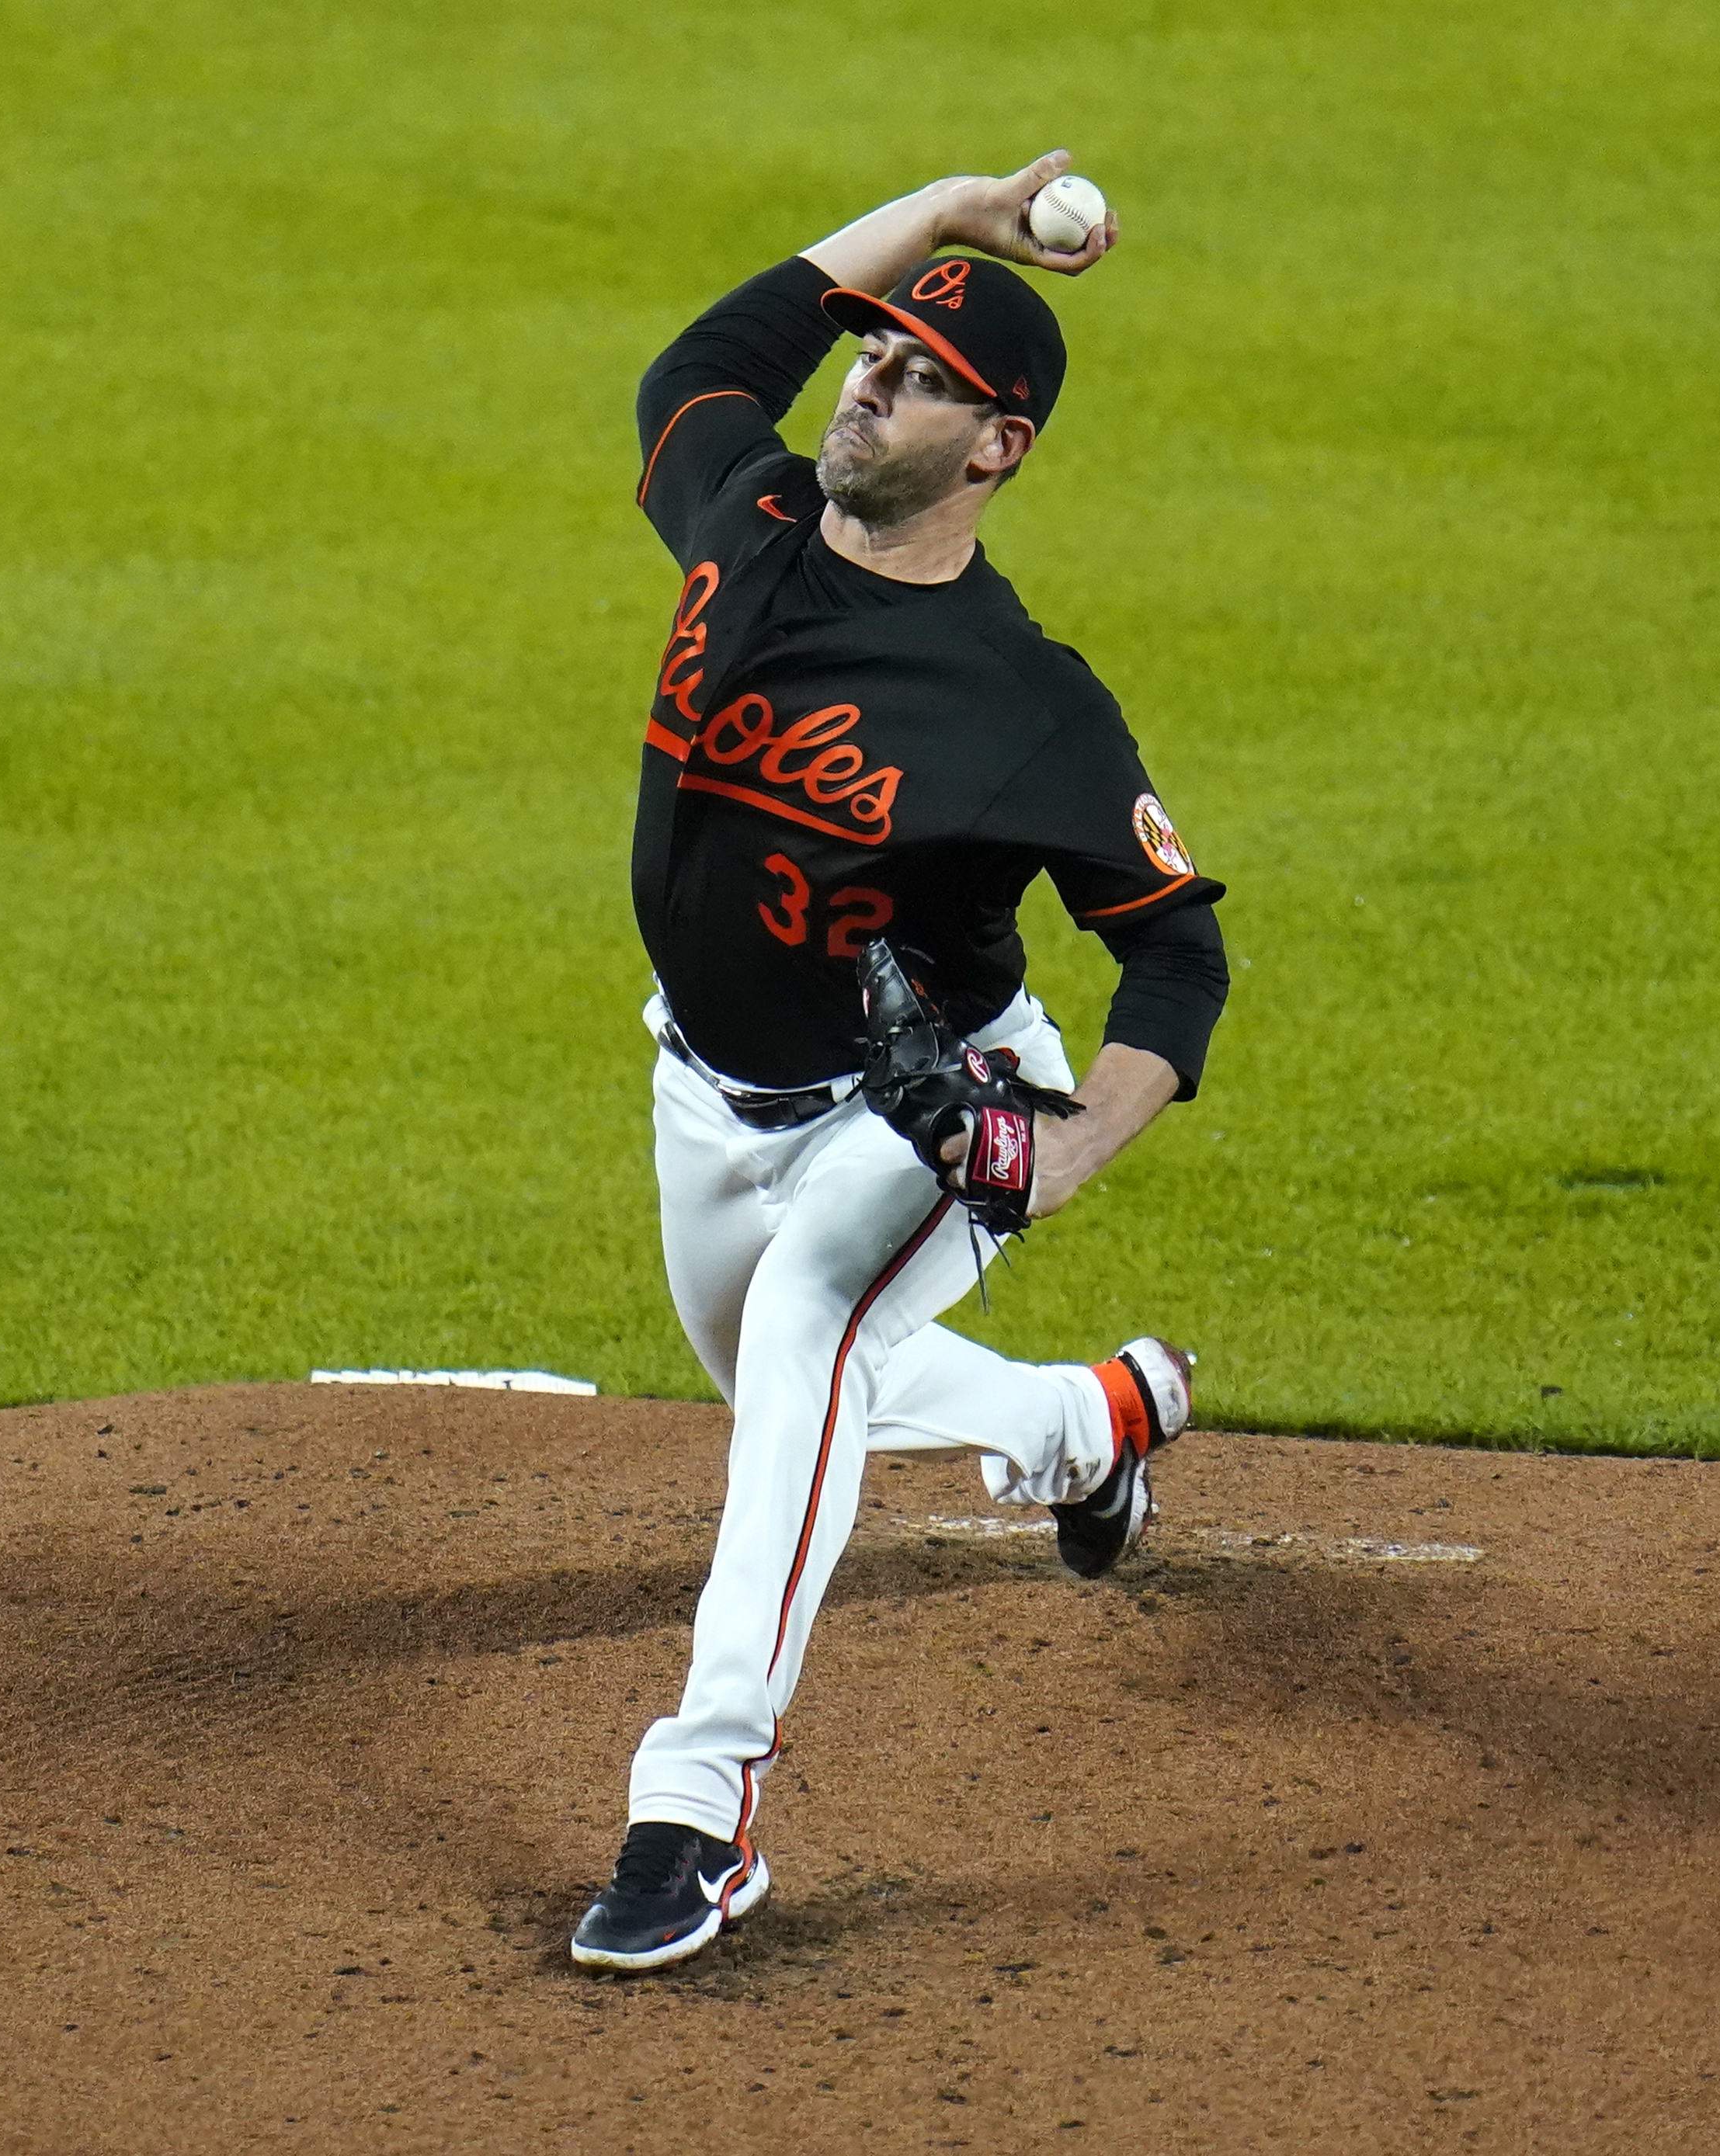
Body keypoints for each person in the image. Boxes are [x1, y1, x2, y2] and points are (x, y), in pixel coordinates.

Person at [570, 152, 1233, 1973]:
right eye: (869, 357)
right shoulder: (742, 506)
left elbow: (1176, 951)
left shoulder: (1026, 704)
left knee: (804, 1343)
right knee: (783, 1384)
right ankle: (1076, 1424)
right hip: (707, 1085)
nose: (864, 381)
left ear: (994, 446)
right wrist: (938, 216)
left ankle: (698, 1810)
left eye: (917, 376)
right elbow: (709, 353)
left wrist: (1064, 1151)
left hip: (927, 1104)